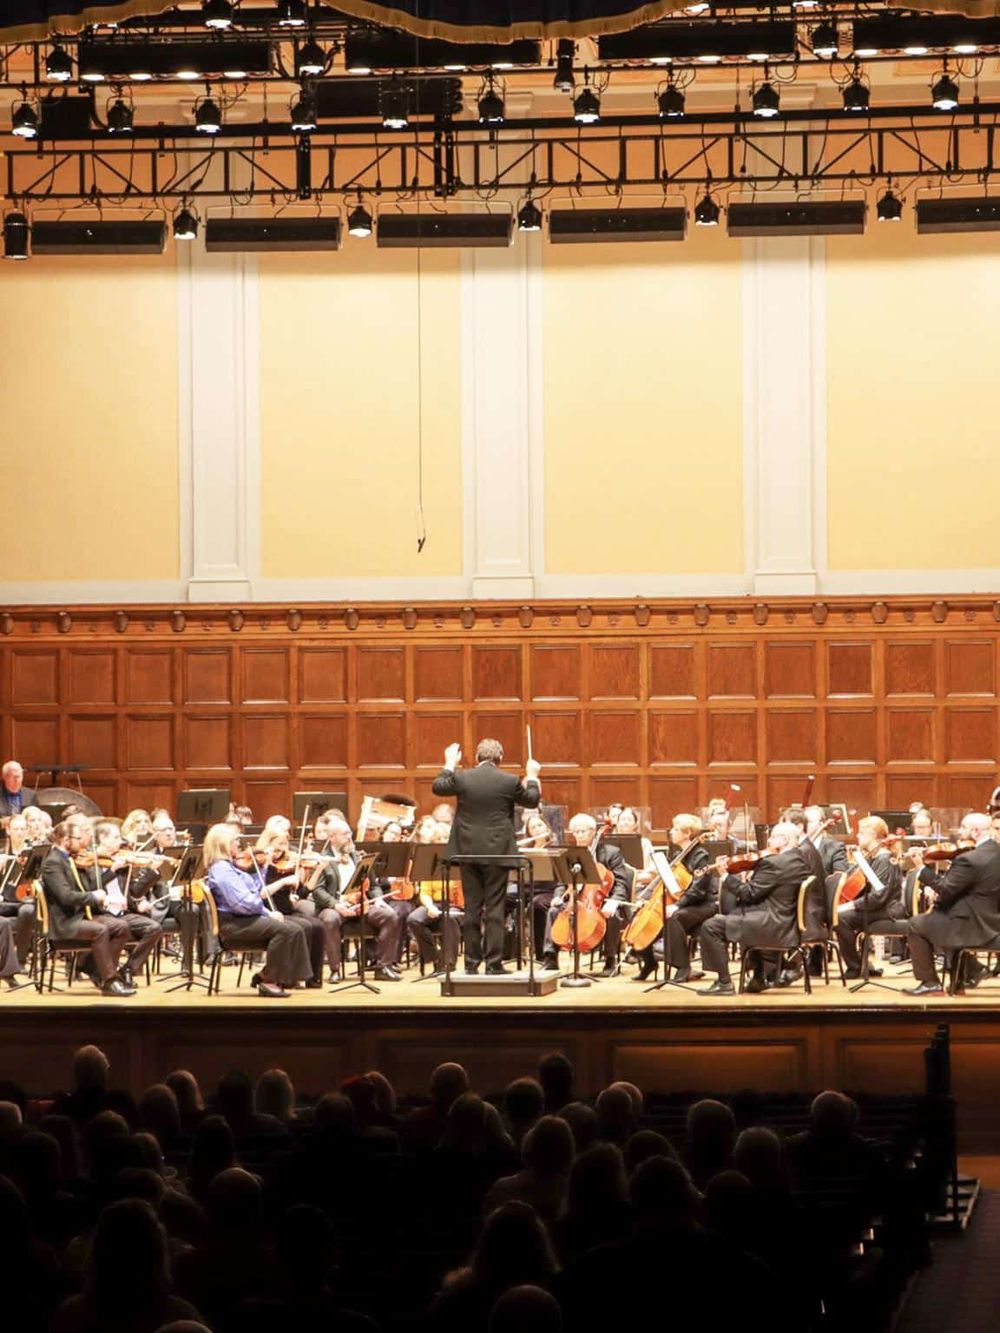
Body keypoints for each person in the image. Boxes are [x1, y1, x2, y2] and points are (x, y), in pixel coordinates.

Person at [432, 739, 541, 976]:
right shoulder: (509, 780)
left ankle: (471, 963)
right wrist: (532, 775)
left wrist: (450, 762)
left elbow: (439, 786)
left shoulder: (462, 777)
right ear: (500, 758)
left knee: (472, 907)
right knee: (494, 907)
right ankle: (494, 964)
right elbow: (532, 800)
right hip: (497, 852)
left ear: (477, 757)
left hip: (468, 851)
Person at [698, 821, 812, 996]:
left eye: (772, 837)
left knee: (711, 926)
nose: (768, 842)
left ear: (783, 840)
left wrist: (726, 877)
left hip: (772, 924)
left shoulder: (775, 863)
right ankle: (758, 977)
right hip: (785, 921)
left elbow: (748, 894)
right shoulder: (799, 859)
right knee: (737, 915)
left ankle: (724, 982)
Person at [202, 822, 312, 998]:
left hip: (243, 919)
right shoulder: (222, 870)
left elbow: (254, 890)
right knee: (287, 931)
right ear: (223, 844)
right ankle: (269, 981)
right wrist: (267, 913)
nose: (238, 844)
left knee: (296, 928)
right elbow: (244, 904)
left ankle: (269, 975)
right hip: (234, 924)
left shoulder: (229, 867)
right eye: (235, 840)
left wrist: (264, 866)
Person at [905, 811, 1000, 995]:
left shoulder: (969, 859)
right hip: (992, 920)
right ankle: (966, 974)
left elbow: (946, 889)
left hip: (971, 924)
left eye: (964, 827)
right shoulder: (994, 852)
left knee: (917, 924)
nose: (960, 832)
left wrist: (921, 868)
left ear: (976, 831)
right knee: (939, 917)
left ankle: (930, 982)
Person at [40, 816, 136, 997]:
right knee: (100, 930)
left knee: (122, 927)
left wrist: (105, 896)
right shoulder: (53, 863)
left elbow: (90, 887)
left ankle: (99, 972)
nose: (83, 842)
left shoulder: (70, 859)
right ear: (66, 840)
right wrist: (93, 897)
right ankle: (109, 981)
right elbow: (66, 897)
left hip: (79, 916)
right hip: (65, 923)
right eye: (78, 838)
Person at [309, 817, 404, 980]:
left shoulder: (359, 856)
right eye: (345, 834)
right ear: (332, 837)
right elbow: (318, 891)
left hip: (361, 905)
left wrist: (378, 899)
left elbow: (373, 885)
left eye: (349, 832)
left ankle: (382, 966)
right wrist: (336, 905)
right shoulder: (323, 859)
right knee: (329, 919)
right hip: (336, 907)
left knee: (390, 916)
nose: (350, 836)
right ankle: (335, 970)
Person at [541, 813, 630, 976]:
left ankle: (610, 960)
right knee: (554, 911)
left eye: (583, 831)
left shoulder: (611, 852)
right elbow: (563, 883)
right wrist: (559, 896)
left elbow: (621, 882)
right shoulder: (571, 855)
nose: (579, 835)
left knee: (611, 915)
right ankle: (551, 959)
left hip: (603, 900)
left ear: (593, 831)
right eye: (575, 832)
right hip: (576, 900)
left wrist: (615, 901)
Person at [633, 812, 711, 983]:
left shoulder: (700, 855)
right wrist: (646, 898)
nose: (671, 832)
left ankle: (683, 967)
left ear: (687, 833)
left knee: (673, 918)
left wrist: (677, 905)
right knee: (638, 917)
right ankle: (649, 963)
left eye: (676, 829)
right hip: (682, 901)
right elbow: (662, 881)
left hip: (702, 904)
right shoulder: (677, 855)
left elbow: (698, 890)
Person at [834, 816, 902, 977]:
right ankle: (861, 964)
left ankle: (855, 966)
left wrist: (848, 906)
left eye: (862, 833)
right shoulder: (873, 857)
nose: (857, 836)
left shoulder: (885, 859)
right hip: (877, 907)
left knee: (841, 918)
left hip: (888, 910)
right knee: (840, 916)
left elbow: (879, 897)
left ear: (873, 835)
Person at [804, 805, 850, 875]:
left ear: (821, 824)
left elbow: (839, 878)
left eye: (809, 822)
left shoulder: (835, 847)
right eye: (803, 822)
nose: (805, 825)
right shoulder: (796, 845)